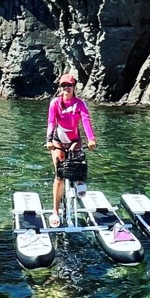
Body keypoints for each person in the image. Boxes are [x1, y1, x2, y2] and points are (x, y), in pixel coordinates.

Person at [44, 72, 96, 227]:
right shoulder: (55, 103)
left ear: (74, 87)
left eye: (69, 85)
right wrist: (48, 141)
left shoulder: (80, 104)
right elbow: (51, 122)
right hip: (58, 141)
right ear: (60, 88)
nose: (66, 88)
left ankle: (80, 181)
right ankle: (55, 211)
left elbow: (86, 121)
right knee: (59, 176)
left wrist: (91, 139)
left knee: (78, 163)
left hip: (75, 140)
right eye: (63, 85)